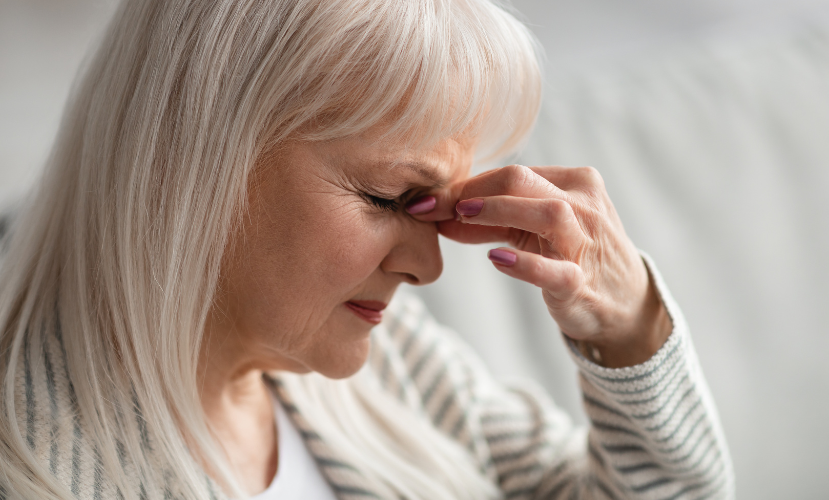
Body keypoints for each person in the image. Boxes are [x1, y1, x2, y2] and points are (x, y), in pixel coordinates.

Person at [0, 0, 735, 498]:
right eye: (389, 198)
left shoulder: (395, 364)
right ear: (188, 151)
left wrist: (632, 329)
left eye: (435, 210)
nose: (429, 266)